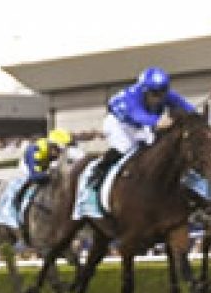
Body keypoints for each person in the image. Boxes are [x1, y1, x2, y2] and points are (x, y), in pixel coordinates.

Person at [84, 68, 196, 201]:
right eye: (155, 94)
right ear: (144, 91)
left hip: (140, 125)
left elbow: (188, 108)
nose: (159, 98)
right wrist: (156, 121)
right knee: (125, 149)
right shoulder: (132, 97)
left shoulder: (164, 94)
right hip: (119, 124)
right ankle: (96, 175)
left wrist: (197, 119)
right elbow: (139, 116)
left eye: (163, 93)